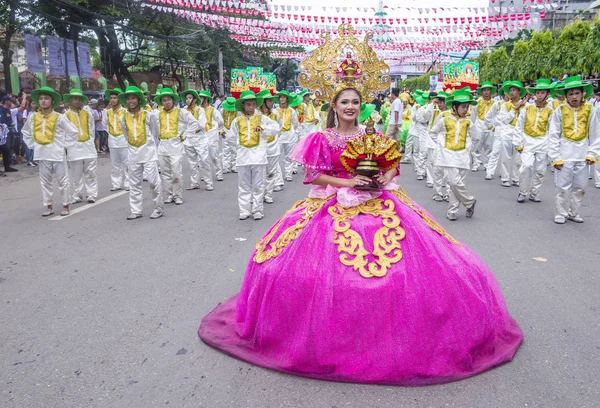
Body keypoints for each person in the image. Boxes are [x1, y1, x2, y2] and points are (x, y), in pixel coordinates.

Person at [198, 30, 523, 386]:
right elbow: (315, 178)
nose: (350, 107)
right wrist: (348, 183)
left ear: (361, 104)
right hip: (332, 203)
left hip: (378, 201)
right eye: (343, 102)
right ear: (333, 106)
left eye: (355, 101)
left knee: (417, 268)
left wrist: (382, 179)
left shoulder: (373, 133)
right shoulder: (321, 138)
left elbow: (391, 164)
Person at [548, 76, 600, 224]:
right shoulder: (560, 111)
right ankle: (561, 213)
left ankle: (574, 212)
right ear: (566, 96)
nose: (574, 97)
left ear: (583, 93)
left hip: (582, 156)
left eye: (577, 93)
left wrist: (592, 154)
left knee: (580, 187)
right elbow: (553, 135)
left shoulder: (590, 109)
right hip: (564, 155)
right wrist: (555, 157)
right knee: (562, 187)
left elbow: (596, 133)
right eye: (570, 94)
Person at [21, 86, 78, 216]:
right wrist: (33, 146)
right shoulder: (33, 117)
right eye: (41, 98)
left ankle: (65, 205)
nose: (43, 101)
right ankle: (48, 206)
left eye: (46, 98)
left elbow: (73, 132)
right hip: (42, 154)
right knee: (45, 182)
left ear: (52, 101)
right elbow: (25, 132)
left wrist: (64, 146)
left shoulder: (60, 117)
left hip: (57, 154)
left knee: (63, 181)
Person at [429, 90, 478, 221]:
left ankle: (453, 211)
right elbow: (433, 132)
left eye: (467, 107)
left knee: (456, 184)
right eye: (463, 107)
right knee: (453, 182)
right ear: (454, 107)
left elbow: (477, 137)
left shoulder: (468, 122)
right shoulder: (445, 120)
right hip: (449, 156)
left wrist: (468, 148)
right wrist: (441, 145)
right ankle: (469, 201)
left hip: (463, 156)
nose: (465, 109)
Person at [231, 90, 279, 220]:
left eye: (253, 104)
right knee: (244, 186)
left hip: (258, 157)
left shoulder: (262, 118)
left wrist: (264, 129)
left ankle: (257, 210)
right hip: (242, 158)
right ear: (243, 106)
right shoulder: (237, 121)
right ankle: (244, 210)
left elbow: (276, 128)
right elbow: (231, 138)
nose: (251, 107)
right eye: (248, 105)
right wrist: (238, 151)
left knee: (258, 185)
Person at [118, 86, 164, 220]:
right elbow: (126, 135)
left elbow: (155, 133)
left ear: (138, 99)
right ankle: (136, 210)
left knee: (153, 181)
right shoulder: (123, 117)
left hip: (149, 153)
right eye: (128, 98)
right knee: (134, 184)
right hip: (133, 154)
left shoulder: (149, 115)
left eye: (133, 98)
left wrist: (150, 146)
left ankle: (158, 208)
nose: (130, 101)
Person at [154, 87, 199, 205]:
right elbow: (152, 128)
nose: (166, 102)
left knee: (176, 172)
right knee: (165, 172)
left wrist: (185, 135)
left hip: (176, 146)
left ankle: (178, 195)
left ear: (173, 100)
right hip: (163, 146)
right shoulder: (157, 114)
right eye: (164, 100)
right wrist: (157, 136)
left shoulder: (181, 112)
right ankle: (169, 195)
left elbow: (195, 123)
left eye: (168, 100)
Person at [513, 79, 554, 203]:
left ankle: (534, 192)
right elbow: (519, 125)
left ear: (547, 94)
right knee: (526, 166)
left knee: (540, 170)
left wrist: (552, 147)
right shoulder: (527, 108)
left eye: (543, 93)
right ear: (535, 94)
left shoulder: (551, 110)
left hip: (543, 141)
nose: (540, 95)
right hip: (528, 140)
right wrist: (518, 143)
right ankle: (522, 191)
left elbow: (552, 130)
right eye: (538, 92)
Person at [63, 89, 99, 204]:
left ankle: (91, 194)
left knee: (91, 172)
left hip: (88, 146)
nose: (77, 101)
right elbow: (64, 133)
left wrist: (90, 142)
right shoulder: (65, 115)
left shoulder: (87, 114)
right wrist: (67, 146)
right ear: (70, 100)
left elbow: (92, 130)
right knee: (76, 174)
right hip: (74, 148)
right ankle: (77, 195)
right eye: (74, 99)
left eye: (79, 99)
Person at [496, 81, 526, 187]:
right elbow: (504, 120)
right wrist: (515, 109)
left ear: (519, 92)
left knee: (518, 158)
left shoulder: (526, 105)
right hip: (508, 131)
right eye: (511, 90)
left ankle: (515, 178)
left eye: (514, 90)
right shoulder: (506, 105)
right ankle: (505, 178)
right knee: (506, 157)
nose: (512, 92)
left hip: (520, 133)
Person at [257, 90, 282, 204]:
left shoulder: (275, 115)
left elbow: (279, 129)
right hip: (259, 149)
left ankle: (268, 194)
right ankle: (258, 195)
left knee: (271, 173)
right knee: (259, 174)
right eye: (269, 100)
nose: (272, 102)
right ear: (263, 102)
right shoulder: (256, 116)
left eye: (272, 100)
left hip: (273, 148)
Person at [180, 89, 208, 191]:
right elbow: (182, 124)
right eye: (186, 98)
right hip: (188, 139)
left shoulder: (200, 110)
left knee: (204, 160)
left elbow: (201, 124)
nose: (188, 100)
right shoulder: (183, 110)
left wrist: (188, 131)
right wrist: (183, 134)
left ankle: (208, 182)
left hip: (199, 137)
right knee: (192, 162)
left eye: (190, 98)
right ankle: (194, 182)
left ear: (195, 100)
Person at [103, 88, 129, 191]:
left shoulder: (125, 111)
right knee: (115, 164)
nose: (113, 100)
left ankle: (128, 183)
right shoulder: (107, 112)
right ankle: (116, 184)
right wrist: (111, 134)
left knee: (127, 163)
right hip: (112, 140)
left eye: (115, 98)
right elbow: (104, 125)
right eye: (111, 98)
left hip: (123, 140)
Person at [484, 82, 510, 180]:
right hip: (499, 130)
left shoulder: (515, 105)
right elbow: (487, 117)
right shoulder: (498, 104)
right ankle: (489, 172)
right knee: (495, 152)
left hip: (510, 131)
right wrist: (491, 127)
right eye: (508, 92)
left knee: (507, 155)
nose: (510, 94)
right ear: (504, 93)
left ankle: (503, 173)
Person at [273, 90, 299, 182]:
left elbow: (295, 124)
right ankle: (276, 176)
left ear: (287, 99)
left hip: (289, 136)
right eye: (281, 97)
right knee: (276, 156)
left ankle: (288, 174)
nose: (282, 98)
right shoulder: (275, 111)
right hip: (279, 137)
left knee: (289, 156)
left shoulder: (292, 111)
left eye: (284, 97)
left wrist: (292, 132)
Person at [199, 90, 225, 182]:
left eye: (201, 97)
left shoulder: (213, 110)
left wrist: (217, 129)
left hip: (212, 135)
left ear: (206, 99)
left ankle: (219, 174)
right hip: (202, 135)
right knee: (202, 157)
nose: (199, 99)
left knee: (214, 155)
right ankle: (204, 175)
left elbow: (221, 121)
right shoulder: (198, 110)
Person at [470, 81, 496, 172]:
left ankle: (487, 164)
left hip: (490, 127)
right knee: (476, 147)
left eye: (488, 90)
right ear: (482, 91)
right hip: (479, 126)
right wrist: (472, 127)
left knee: (489, 147)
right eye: (484, 90)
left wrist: (494, 126)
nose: (486, 92)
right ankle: (476, 164)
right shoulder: (477, 102)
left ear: (490, 91)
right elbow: (473, 115)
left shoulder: (494, 103)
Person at [0, 95, 19, 172]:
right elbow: (2, 121)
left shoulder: (8, 110)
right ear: (6, 101)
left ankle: (7, 167)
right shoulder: (1, 110)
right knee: (5, 149)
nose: (11, 101)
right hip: (2, 132)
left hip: (6, 131)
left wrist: (10, 124)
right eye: (9, 100)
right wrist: (8, 124)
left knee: (7, 149)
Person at [221, 96, 239, 174]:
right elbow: (220, 121)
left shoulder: (237, 111)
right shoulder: (222, 110)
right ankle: (226, 167)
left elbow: (238, 122)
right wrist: (221, 130)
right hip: (225, 130)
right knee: (225, 149)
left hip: (234, 131)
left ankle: (234, 166)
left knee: (235, 149)